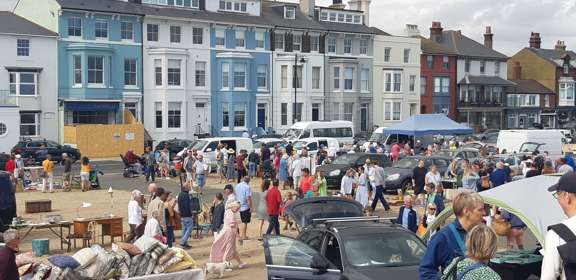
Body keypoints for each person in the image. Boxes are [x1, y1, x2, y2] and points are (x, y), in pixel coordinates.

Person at [419, 191, 486, 280]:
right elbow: (426, 272)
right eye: (480, 209)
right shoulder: (443, 237)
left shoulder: (480, 234)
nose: (484, 213)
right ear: (466, 211)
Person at [541, 172, 576, 280]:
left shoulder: (557, 234)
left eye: (558, 195)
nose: (558, 200)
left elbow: (548, 277)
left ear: (567, 196)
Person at [209, 201, 247, 269]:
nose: (238, 210)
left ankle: (240, 263)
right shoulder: (230, 213)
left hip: (228, 232)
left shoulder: (228, 212)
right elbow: (232, 226)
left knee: (232, 249)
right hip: (230, 233)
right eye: (237, 208)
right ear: (233, 206)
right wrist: (238, 237)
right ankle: (224, 265)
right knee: (229, 249)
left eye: (238, 208)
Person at [236, 176, 253, 242]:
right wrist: (251, 207)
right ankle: (243, 235)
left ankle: (241, 235)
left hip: (239, 205)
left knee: (243, 221)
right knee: (245, 222)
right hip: (245, 206)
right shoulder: (247, 187)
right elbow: (248, 198)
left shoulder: (238, 185)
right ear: (248, 181)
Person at [178, 183, 194, 249]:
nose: (190, 188)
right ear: (186, 188)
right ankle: (183, 241)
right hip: (187, 214)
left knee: (184, 229)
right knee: (189, 228)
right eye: (189, 187)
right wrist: (191, 214)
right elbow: (188, 206)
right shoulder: (186, 195)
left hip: (182, 214)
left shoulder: (180, 194)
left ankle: (185, 243)